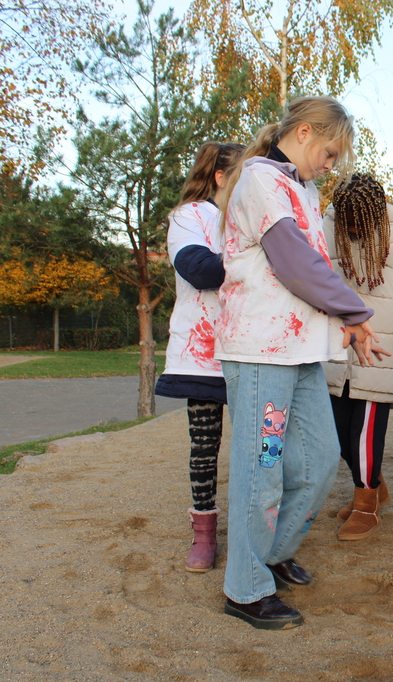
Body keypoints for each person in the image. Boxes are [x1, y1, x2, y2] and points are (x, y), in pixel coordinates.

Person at [214, 96, 382, 631]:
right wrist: (355, 311)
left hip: (301, 352)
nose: (330, 165)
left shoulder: (303, 190)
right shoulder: (260, 180)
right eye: (329, 153)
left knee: (319, 459)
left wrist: (345, 322)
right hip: (260, 353)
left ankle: (272, 552)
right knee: (262, 466)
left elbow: (313, 269)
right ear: (304, 132)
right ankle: (245, 588)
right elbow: (294, 263)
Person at [322, 173, 393, 541]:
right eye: (346, 222)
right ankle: (375, 487)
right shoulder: (324, 229)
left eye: (359, 223)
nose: (352, 229)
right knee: (337, 433)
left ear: (374, 216)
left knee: (365, 431)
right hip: (337, 344)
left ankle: (366, 506)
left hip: (381, 346)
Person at [155, 141, 244, 572]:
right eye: (243, 175)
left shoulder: (253, 217)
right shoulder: (188, 217)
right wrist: (257, 262)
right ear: (220, 177)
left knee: (261, 445)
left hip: (251, 349)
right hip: (203, 354)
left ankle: (253, 528)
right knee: (205, 446)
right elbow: (199, 269)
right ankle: (204, 534)